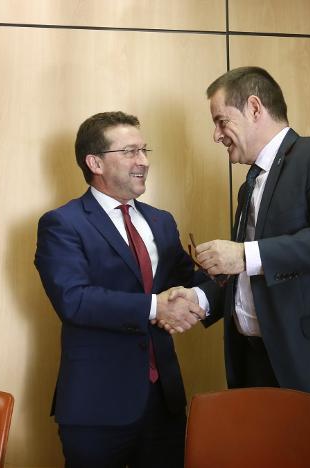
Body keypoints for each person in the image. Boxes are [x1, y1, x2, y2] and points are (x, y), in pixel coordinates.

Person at [168, 66, 310, 468]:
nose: (216, 134)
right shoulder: (249, 184)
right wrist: (201, 299)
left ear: (254, 107)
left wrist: (244, 254)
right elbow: (249, 272)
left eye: (221, 121)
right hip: (256, 366)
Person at [34, 111, 204, 468]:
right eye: (130, 151)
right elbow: (74, 300)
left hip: (164, 404)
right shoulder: (63, 224)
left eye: (144, 150)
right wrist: (156, 307)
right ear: (95, 162)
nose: (143, 161)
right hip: (96, 408)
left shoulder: (161, 221)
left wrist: (217, 278)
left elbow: (190, 281)